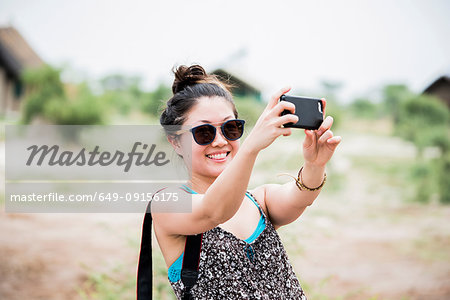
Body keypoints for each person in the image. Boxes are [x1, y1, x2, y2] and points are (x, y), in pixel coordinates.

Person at [146, 64, 341, 299]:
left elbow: (300, 197)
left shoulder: (260, 200)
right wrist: (251, 147)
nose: (220, 141)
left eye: (231, 128)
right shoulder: (168, 203)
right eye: (204, 132)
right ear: (176, 142)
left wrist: (315, 164)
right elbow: (213, 211)